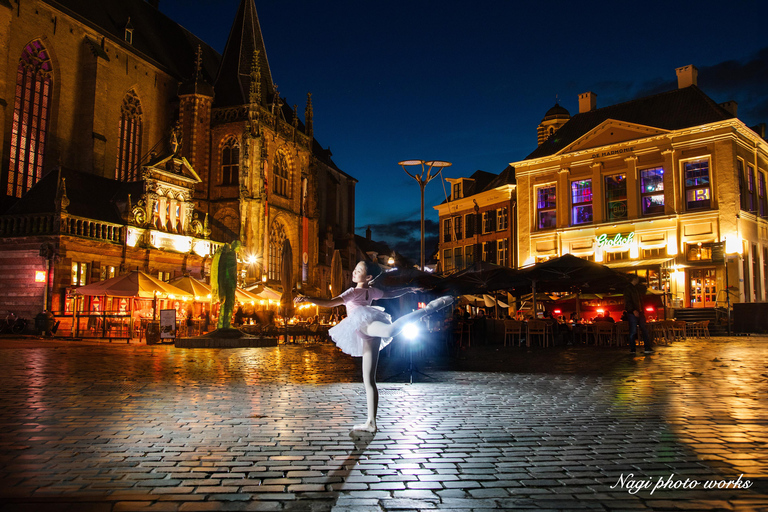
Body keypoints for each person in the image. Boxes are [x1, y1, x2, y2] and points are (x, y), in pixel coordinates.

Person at [294, 260, 453, 434]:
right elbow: (391, 294)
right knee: (368, 379)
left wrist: (308, 298)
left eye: (358, 270)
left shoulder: (353, 292)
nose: (354, 272)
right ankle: (371, 422)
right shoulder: (369, 291)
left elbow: (331, 302)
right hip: (366, 331)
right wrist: (409, 289)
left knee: (390, 331)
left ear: (368, 276)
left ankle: (428, 309)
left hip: (365, 324)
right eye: (354, 268)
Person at [624, 275, 653, 354]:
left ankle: (640, 348)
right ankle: (638, 348)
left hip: (637, 311)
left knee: (640, 330)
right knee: (636, 331)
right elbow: (628, 301)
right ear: (634, 279)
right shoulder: (630, 289)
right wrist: (633, 310)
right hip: (635, 311)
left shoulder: (635, 289)